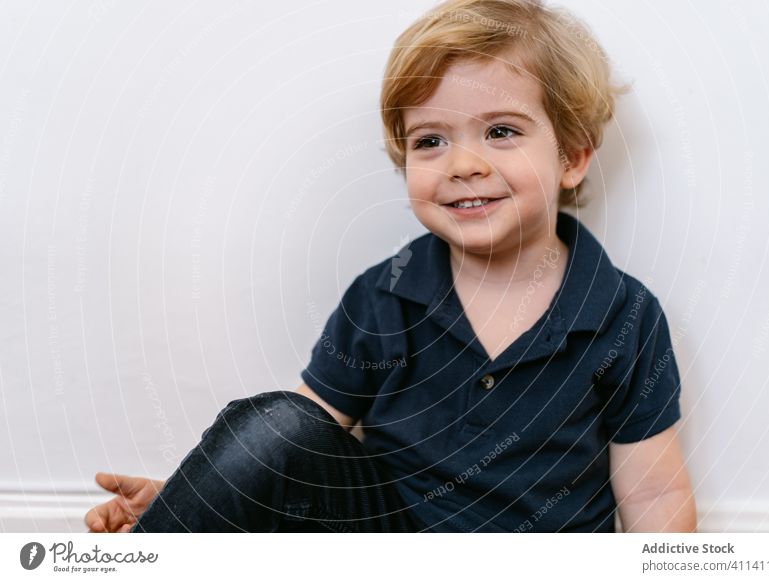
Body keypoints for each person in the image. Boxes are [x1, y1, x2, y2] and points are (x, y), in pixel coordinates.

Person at [85, 0, 696, 533]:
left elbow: (654, 492)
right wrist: (198, 506)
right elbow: (295, 443)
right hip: (388, 547)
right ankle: (163, 550)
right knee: (272, 425)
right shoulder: (384, 296)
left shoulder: (622, 315)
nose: (462, 163)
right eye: (430, 140)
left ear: (572, 157)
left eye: (501, 131)